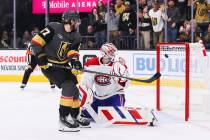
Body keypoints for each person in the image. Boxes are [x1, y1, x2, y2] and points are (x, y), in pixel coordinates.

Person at [31, 10, 90, 132]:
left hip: (62, 65)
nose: (78, 23)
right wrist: (41, 58)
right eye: (76, 20)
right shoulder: (53, 27)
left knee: (74, 89)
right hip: (50, 66)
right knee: (68, 87)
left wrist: (75, 62)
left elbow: (72, 52)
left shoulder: (76, 36)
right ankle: (63, 120)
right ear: (70, 20)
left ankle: (75, 116)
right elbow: (36, 42)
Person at [79, 43, 129, 119]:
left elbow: (126, 85)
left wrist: (122, 79)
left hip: (115, 95)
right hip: (98, 97)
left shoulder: (118, 64)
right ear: (104, 53)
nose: (113, 54)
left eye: (113, 52)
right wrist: (86, 92)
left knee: (115, 116)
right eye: (110, 52)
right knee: (86, 114)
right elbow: (86, 83)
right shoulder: (92, 63)